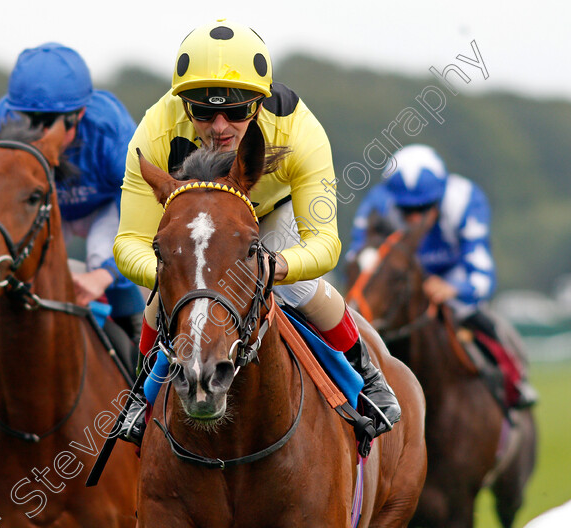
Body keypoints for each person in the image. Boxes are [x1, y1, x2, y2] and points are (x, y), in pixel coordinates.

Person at [112, 19, 400, 446]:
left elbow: (325, 243)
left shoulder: (301, 131)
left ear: (260, 104)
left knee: (299, 289)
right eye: (204, 112)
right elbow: (127, 242)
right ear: (183, 106)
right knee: (166, 295)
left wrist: (277, 264)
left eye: (238, 110)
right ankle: (142, 393)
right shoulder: (155, 129)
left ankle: (368, 376)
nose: (220, 127)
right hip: (200, 227)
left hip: (269, 216)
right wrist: (179, 273)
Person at [0, 42, 145, 436]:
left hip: (106, 208)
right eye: (30, 120)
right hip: (38, 209)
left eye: (50, 122)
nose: (39, 132)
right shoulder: (5, 117)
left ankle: (146, 389)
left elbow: (140, 203)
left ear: (80, 114)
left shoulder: (110, 127)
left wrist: (105, 275)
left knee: (111, 275)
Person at [348, 143, 537, 408]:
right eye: (406, 211)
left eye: (424, 208)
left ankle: (513, 381)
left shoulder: (466, 200)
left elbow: (483, 275)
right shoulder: (378, 204)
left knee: (469, 313)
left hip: (452, 274)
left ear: (439, 198)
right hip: (402, 282)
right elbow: (359, 260)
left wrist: (454, 287)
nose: (414, 219)